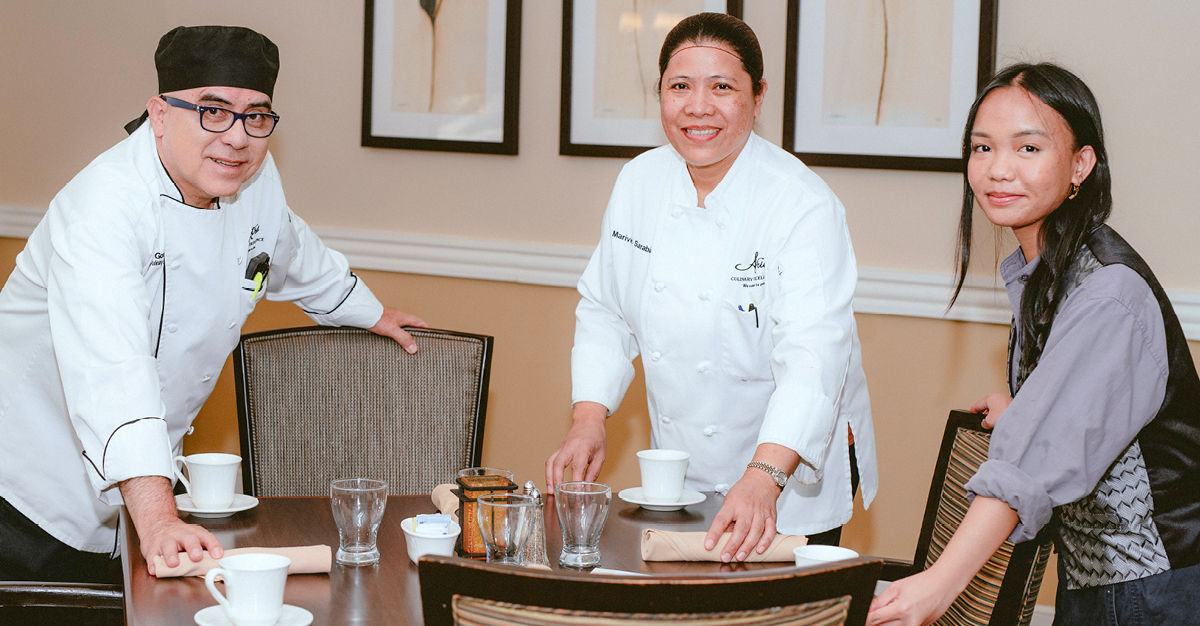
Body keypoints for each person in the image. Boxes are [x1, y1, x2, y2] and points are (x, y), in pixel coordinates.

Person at [0, 25, 427, 583]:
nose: (236, 137)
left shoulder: (250, 177)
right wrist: (157, 519)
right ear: (159, 113)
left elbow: (288, 247)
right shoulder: (103, 209)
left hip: (139, 476)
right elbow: (113, 372)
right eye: (213, 110)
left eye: (256, 116)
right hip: (24, 482)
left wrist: (369, 310)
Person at [867, 63, 1200, 625]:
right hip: (1101, 578)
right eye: (982, 147)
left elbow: (1025, 469)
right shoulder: (1046, 268)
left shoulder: (1106, 292)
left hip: (1150, 587)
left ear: (1080, 165)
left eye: (1027, 148)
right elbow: (1087, 407)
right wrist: (1031, 406)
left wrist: (937, 586)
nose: (998, 170)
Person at [545, 12, 877, 563]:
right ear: (661, 96)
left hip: (786, 473)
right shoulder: (639, 182)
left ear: (758, 95)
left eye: (722, 87)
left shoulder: (801, 204)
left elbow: (814, 356)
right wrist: (588, 419)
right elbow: (605, 309)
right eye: (680, 87)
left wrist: (764, 478)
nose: (698, 107)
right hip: (682, 468)